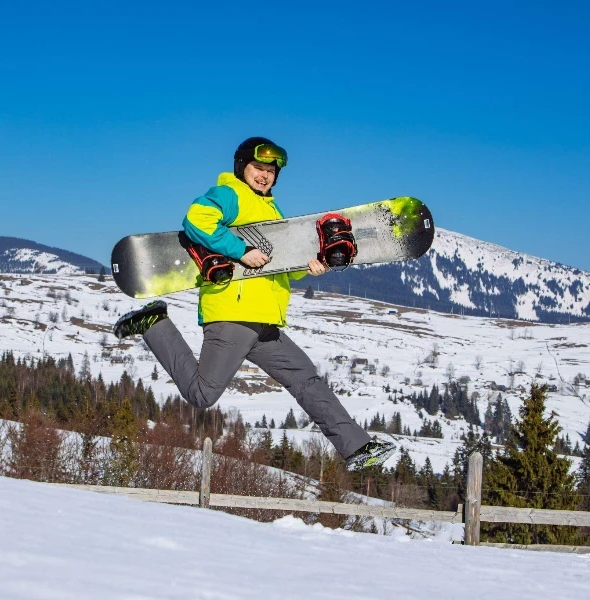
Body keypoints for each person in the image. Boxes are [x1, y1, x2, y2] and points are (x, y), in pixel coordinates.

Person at [113, 137, 394, 471]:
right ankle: (154, 323)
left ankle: (356, 448)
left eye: (270, 171)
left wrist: (308, 268)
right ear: (241, 166)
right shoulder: (231, 194)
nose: (264, 176)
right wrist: (238, 250)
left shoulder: (272, 211)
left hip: (265, 322)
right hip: (233, 314)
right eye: (258, 168)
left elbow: (278, 272)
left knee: (306, 380)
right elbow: (197, 218)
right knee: (203, 395)